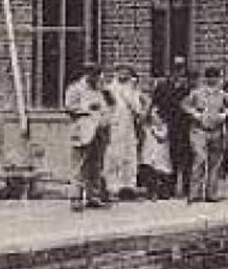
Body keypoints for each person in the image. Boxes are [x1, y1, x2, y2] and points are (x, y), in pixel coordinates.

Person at [182, 66, 228, 203]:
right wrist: (195, 114)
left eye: (215, 77)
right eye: (210, 77)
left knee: (215, 163)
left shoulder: (223, 94)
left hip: (217, 130)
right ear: (205, 78)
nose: (213, 79)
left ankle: (211, 193)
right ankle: (195, 193)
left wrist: (225, 114)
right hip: (199, 130)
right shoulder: (197, 93)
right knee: (200, 159)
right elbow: (184, 105)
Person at [64, 62, 111, 210]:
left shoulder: (100, 90)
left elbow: (110, 105)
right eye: (92, 74)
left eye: (97, 74)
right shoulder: (75, 89)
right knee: (79, 165)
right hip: (83, 130)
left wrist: (106, 94)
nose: (95, 78)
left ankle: (93, 196)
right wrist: (87, 109)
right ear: (86, 74)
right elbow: (69, 108)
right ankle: (75, 197)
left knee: (96, 165)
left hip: (99, 131)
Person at [153, 57, 193, 196]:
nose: (178, 73)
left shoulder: (190, 87)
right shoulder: (162, 85)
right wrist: (159, 121)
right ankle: (171, 188)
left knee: (187, 157)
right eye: (176, 69)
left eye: (181, 69)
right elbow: (156, 103)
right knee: (171, 158)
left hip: (186, 125)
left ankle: (187, 188)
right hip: (170, 124)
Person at [104, 66, 146, 199]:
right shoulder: (109, 89)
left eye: (126, 72)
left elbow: (138, 109)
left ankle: (128, 185)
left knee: (129, 154)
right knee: (113, 155)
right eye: (120, 72)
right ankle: (112, 185)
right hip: (114, 125)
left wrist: (132, 92)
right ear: (116, 73)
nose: (123, 75)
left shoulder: (132, 90)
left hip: (128, 126)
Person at [138, 80, 175, 200]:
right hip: (154, 137)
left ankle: (158, 190)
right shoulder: (153, 106)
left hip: (157, 137)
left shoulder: (157, 107)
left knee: (157, 164)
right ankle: (157, 190)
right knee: (156, 164)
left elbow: (145, 120)